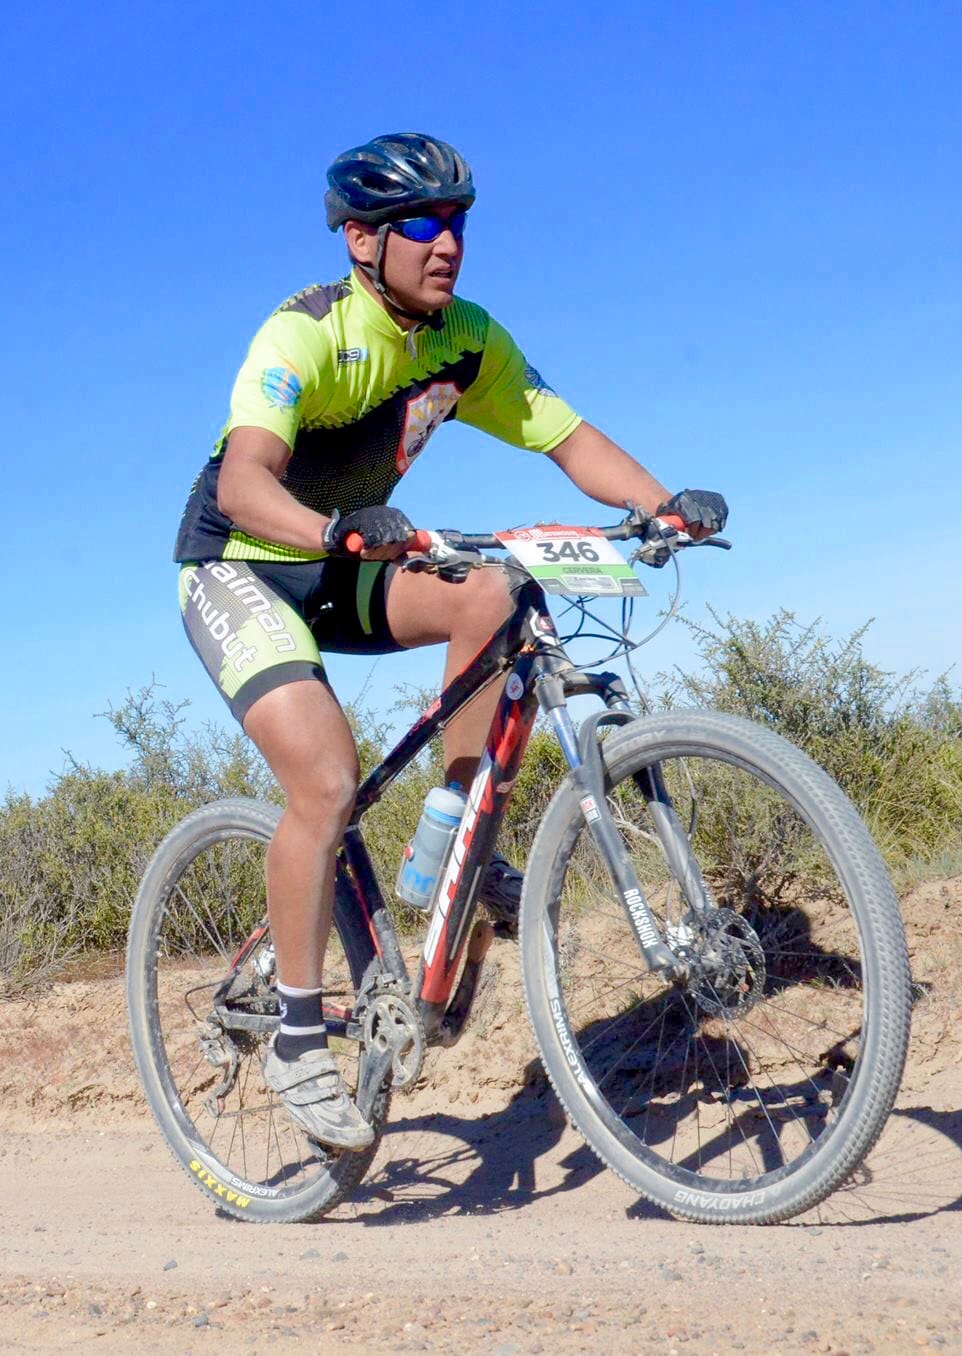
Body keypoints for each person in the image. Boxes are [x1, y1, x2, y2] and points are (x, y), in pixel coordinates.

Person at [171, 132, 727, 1151]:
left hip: (345, 555)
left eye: (458, 221)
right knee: (325, 783)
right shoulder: (306, 333)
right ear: (360, 240)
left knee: (493, 595)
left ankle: (449, 848)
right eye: (420, 222)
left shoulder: (466, 340)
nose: (447, 243)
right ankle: (296, 1038)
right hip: (241, 565)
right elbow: (244, 481)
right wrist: (334, 533)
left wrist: (660, 505)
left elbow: (567, 437)